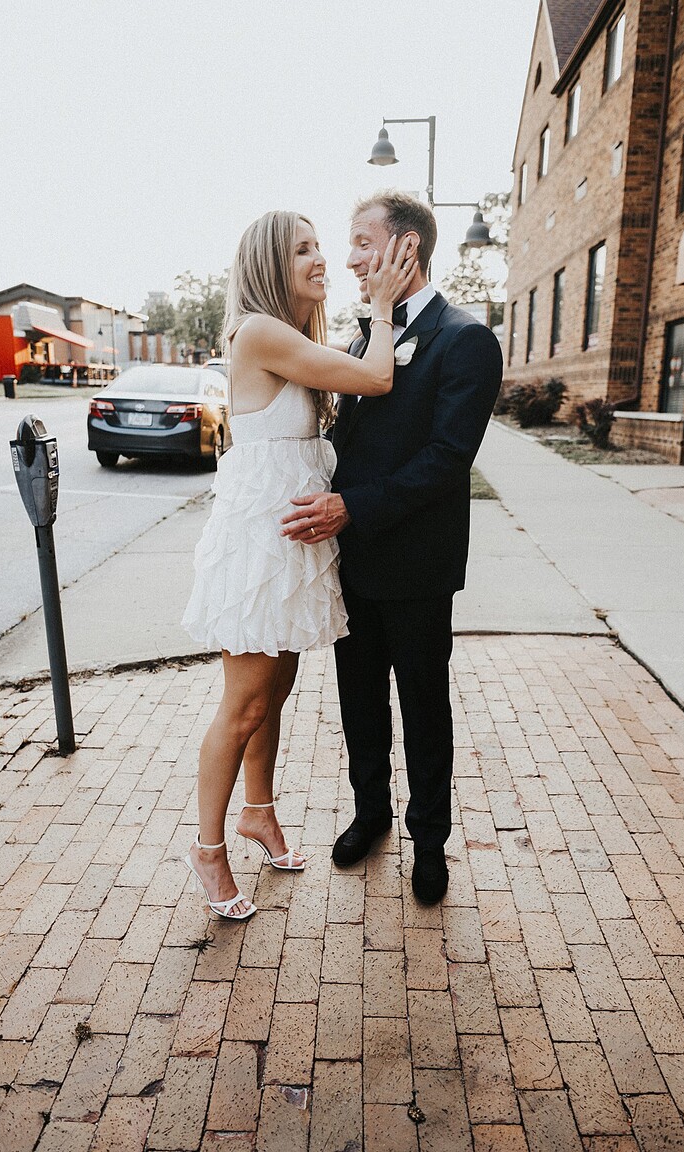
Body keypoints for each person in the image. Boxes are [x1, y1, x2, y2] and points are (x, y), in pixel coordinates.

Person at [181, 210, 416, 920]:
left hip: (291, 542)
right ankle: (208, 850)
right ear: (268, 264)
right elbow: (376, 378)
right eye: (303, 250)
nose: (322, 260)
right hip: (261, 548)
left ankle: (259, 812)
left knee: (273, 695)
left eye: (320, 247)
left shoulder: (289, 336)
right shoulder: (259, 331)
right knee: (243, 705)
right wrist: (382, 304)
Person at [281, 191, 503, 904]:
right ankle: (370, 812)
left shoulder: (466, 339)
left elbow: (446, 460)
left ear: (408, 248)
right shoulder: (362, 342)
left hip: (417, 566)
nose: (349, 259)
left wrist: (353, 506)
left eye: (362, 242)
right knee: (359, 703)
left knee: (423, 708)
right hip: (353, 562)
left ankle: (429, 842)